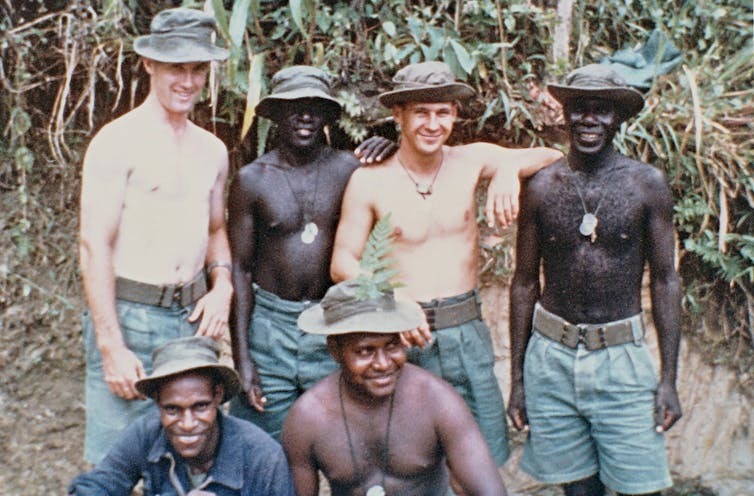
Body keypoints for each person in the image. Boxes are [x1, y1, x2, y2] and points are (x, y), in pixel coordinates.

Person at [330, 60, 563, 466]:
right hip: (400, 336)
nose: (433, 124)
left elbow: (554, 154)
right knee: (408, 461)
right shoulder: (370, 180)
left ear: (455, 114)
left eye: (442, 112)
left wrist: (508, 168)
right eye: (421, 112)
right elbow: (341, 262)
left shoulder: (470, 160)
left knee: (479, 457)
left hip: (465, 330)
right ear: (398, 115)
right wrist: (392, 299)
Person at [507, 64, 682, 496]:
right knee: (578, 489)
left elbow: (665, 281)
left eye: (601, 110)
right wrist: (518, 380)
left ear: (618, 118)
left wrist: (668, 380)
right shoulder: (541, 187)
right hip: (552, 358)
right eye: (579, 108)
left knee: (642, 487)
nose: (589, 120)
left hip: (621, 359)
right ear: (564, 114)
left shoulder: (647, 185)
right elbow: (524, 283)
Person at [78, 7, 234, 463]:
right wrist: (111, 345)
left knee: (191, 455)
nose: (187, 81)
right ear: (149, 63)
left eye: (198, 69)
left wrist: (222, 287)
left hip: (192, 321)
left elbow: (216, 230)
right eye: (175, 68)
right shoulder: (116, 142)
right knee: (116, 462)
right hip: (132, 316)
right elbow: (94, 246)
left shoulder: (212, 150)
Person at [227, 65, 394, 440]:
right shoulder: (252, 180)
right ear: (275, 114)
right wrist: (243, 359)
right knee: (262, 441)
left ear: (327, 116)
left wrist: (390, 149)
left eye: (315, 108)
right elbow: (240, 269)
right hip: (270, 327)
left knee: (339, 441)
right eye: (293, 107)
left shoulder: (351, 169)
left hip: (333, 321)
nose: (304, 116)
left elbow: (399, 183)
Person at [282, 276, 507, 495]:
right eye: (365, 351)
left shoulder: (437, 401)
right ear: (335, 350)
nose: (383, 364)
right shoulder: (307, 417)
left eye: (392, 346)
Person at [69, 336, 295, 495]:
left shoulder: (263, 458)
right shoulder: (146, 434)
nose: (187, 424)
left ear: (218, 396)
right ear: (157, 401)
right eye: (173, 409)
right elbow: (92, 488)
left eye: (200, 407)